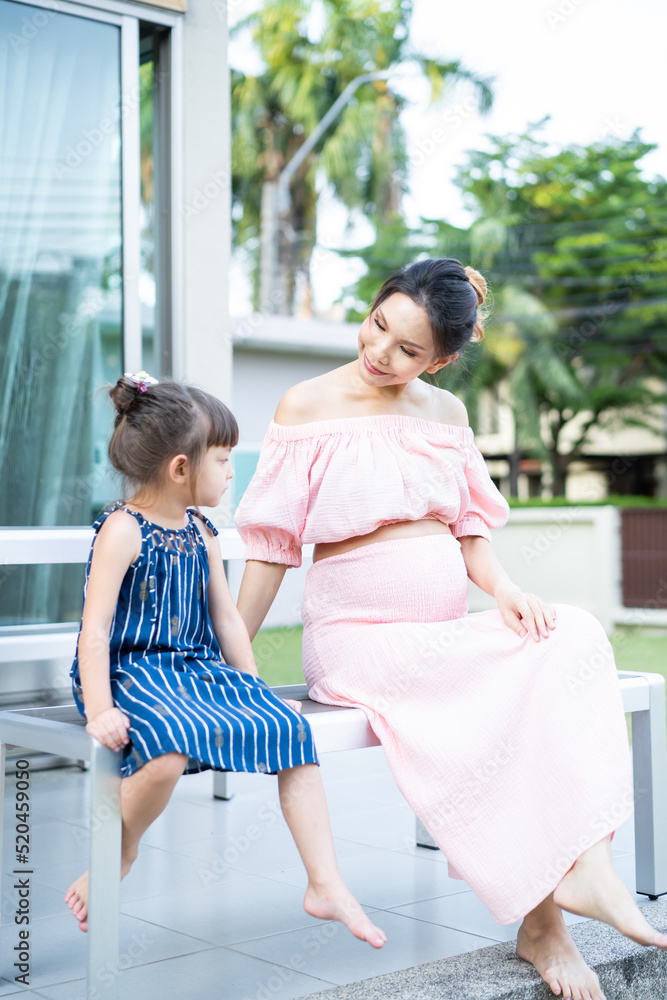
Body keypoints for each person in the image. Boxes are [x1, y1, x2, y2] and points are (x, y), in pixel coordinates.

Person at [235, 259, 667, 1000]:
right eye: (378, 327)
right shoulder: (305, 404)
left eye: (407, 351)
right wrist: (231, 659)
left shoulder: (445, 415)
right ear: (372, 309)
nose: (380, 354)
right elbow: (271, 546)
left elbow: (469, 533)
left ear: (441, 360)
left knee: (569, 634)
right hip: (359, 639)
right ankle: (547, 925)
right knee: (503, 694)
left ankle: (582, 867)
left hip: (440, 634)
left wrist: (505, 590)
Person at [64, 372, 386, 950]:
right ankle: (121, 847)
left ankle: (326, 882)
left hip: (195, 670)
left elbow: (227, 620)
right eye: (224, 457)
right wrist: (100, 710)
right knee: (165, 751)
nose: (233, 469)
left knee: (289, 728)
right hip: (129, 673)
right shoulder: (122, 530)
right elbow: (95, 632)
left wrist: (251, 683)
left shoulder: (201, 532)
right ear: (181, 468)